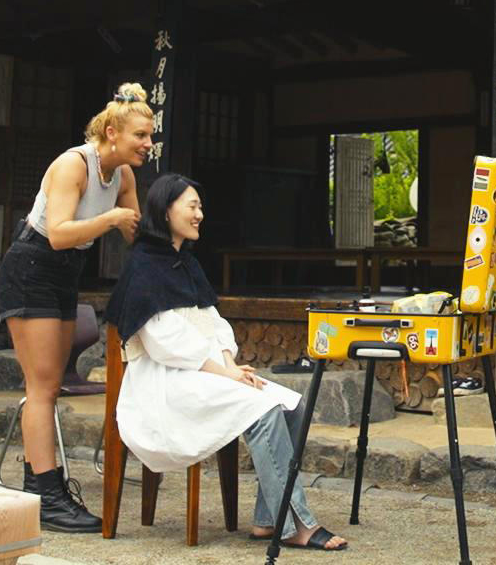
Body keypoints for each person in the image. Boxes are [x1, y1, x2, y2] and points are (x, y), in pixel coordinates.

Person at [107, 172, 348, 551]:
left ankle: (268, 520)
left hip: (203, 373)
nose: (200, 214)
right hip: (163, 384)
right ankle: (295, 522)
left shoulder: (185, 262)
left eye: (200, 206)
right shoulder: (143, 265)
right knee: (264, 410)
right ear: (165, 211)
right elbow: (163, 342)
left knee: (292, 405)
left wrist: (229, 365)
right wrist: (224, 372)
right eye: (192, 206)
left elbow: (213, 322)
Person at [0, 83, 149, 532]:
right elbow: (59, 232)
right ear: (112, 132)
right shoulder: (73, 164)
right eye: (140, 135)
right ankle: (45, 493)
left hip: (65, 273)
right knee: (41, 386)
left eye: (150, 136)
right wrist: (111, 219)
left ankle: (42, 483)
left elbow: (136, 235)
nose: (147, 144)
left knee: (53, 383)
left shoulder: (123, 177)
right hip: (32, 266)